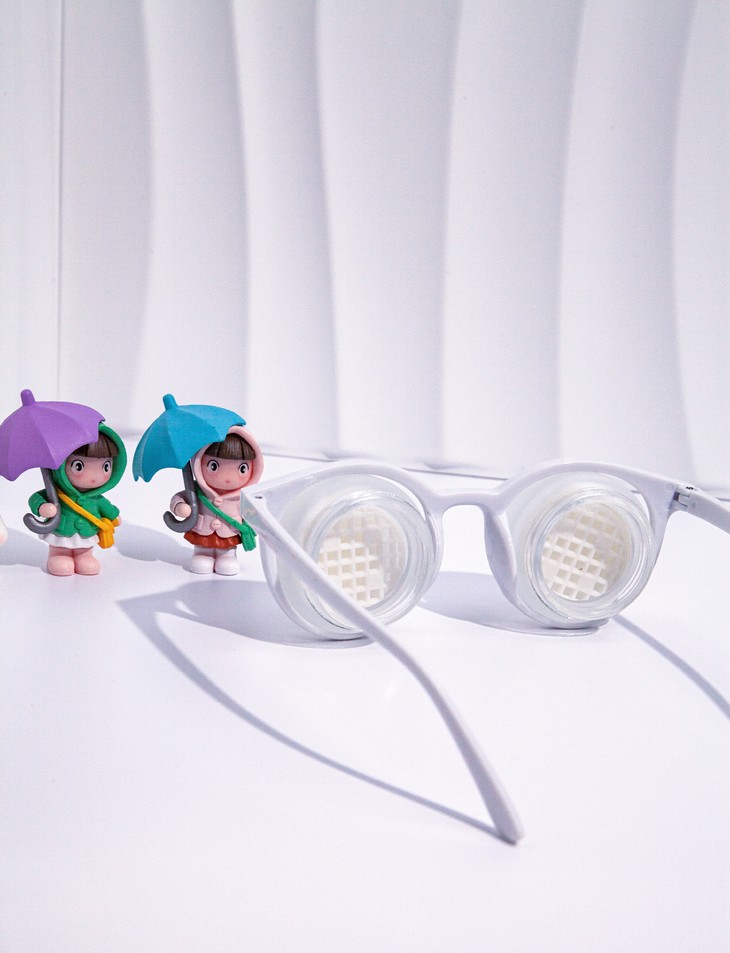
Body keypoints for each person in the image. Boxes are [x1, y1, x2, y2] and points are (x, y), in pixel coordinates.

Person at [28, 425, 126, 576]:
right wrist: (42, 507)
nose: (93, 477)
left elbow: (107, 508)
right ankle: (58, 555)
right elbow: (36, 498)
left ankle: (84, 556)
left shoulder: (96, 498)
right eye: (78, 466)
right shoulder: (56, 492)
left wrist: (113, 515)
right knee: (60, 548)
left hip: (87, 531)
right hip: (61, 530)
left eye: (106, 466)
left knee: (85, 550)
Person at [169, 425, 263, 575]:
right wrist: (180, 507)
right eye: (214, 466)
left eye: (242, 468)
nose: (227, 478)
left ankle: (228, 556)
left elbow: (253, 510)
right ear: (198, 463)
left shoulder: (244, 496)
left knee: (227, 557)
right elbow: (179, 497)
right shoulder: (195, 490)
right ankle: (202, 554)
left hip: (229, 532)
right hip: (203, 531)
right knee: (201, 556)